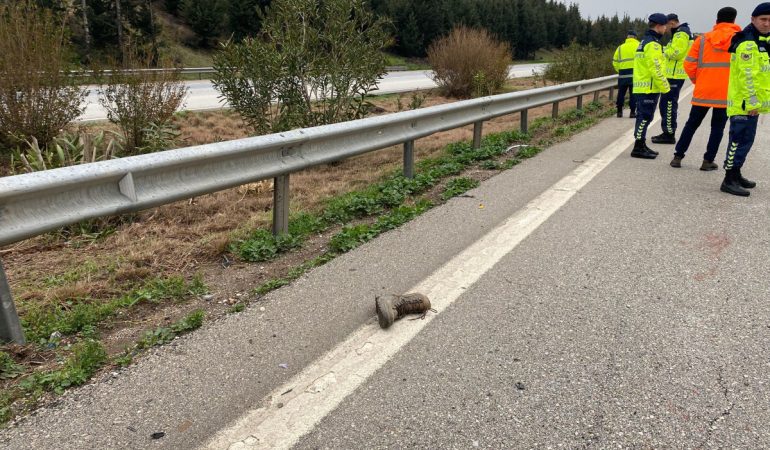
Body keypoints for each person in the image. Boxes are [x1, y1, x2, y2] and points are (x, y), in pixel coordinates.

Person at [670, 7, 741, 170]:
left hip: (703, 91)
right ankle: (708, 161)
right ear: (734, 21)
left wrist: (698, 80)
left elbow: (688, 63)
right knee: (717, 128)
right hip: (726, 93)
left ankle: (678, 156)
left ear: (716, 21)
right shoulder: (739, 40)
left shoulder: (702, 40)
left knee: (691, 124)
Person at [720, 3, 770, 196]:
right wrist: (752, 103)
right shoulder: (748, 43)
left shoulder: (760, 41)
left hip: (751, 104)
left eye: (769, 20)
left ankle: (736, 173)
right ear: (753, 19)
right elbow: (747, 77)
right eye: (763, 20)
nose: (767, 24)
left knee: (746, 141)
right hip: (744, 104)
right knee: (738, 141)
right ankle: (728, 179)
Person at [631, 13, 670, 159]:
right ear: (659, 26)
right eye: (665, 25)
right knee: (645, 117)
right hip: (649, 88)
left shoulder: (645, 41)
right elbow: (656, 68)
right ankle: (638, 147)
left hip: (644, 86)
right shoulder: (653, 44)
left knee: (644, 117)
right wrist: (665, 87)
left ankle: (641, 144)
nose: (666, 28)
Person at [651, 13, 693, 144]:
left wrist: (663, 50)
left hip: (675, 75)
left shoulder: (681, 34)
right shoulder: (678, 33)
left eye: (666, 25)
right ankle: (667, 132)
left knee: (668, 105)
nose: (665, 28)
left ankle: (669, 134)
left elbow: (676, 53)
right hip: (673, 75)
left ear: (672, 23)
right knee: (665, 104)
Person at [613, 30, 640, 118]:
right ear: (635, 37)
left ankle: (619, 112)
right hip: (635, 73)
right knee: (633, 94)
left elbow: (615, 62)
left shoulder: (620, 47)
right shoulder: (639, 46)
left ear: (627, 37)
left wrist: (620, 70)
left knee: (621, 93)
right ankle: (632, 112)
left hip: (623, 74)